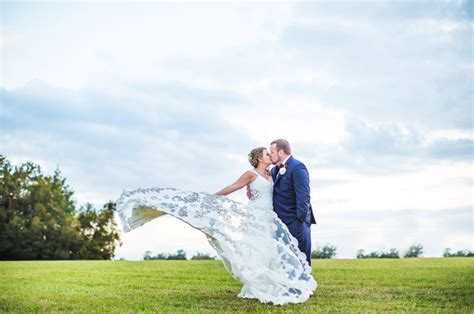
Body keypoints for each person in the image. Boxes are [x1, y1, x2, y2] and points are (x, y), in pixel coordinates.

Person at [116, 147, 317, 305]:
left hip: (269, 216)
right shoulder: (250, 174)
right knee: (257, 249)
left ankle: (270, 284)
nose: (270, 156)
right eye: (267, 153)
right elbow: (232, 186)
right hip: (255, 215)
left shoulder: (273, 173)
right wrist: (211, 199)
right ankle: (256, 286)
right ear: (258, 158)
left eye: (270, 152)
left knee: (269, 250)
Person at [268, 139, 316, 266]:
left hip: (296, 221)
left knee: (300, 258)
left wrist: (300, 220)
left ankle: (304, 286)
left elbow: (303, 195)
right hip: (280, 222)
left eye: (272, 152)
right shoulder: (273, 171)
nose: (269, 155)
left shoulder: (297, 167)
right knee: (285, 260)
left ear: (281, 152)